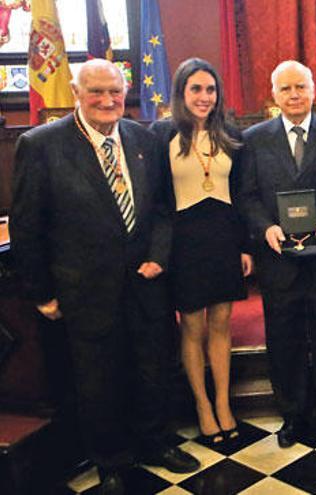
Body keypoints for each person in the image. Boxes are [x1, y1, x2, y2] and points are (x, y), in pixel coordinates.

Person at [10, 59, 199, 494]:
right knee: (99, 382)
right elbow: (27, 226)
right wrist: (40, 293)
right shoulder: (41, 145)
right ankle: (111, 459)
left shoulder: (143, 138)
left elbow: (163, 210)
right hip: (85, 290)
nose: (108, 100)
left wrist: (158, 255)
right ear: (76, 92)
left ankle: (154, 442)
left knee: (153, 371)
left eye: (115, 91)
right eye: (96, 91)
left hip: (146, 284)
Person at [239, 60, 316, 447]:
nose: (293, 95)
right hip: (278, 259)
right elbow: (248, 195)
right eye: (285, 88)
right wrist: (264, 227)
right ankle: (292, 414)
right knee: (283, 338)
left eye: (300, 87)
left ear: (313, 90)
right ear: (273, 94)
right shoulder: (253, 138)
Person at [150, 58, 251, 446]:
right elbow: (157, 200)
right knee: (192, 326)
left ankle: (224, 403)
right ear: (181, 92)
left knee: (222, 324)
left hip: (223, 237)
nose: (204, 97)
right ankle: (202, 406)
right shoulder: (162, 135)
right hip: (184, 241)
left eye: (210, 89)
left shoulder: (230, 134)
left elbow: (240, 195)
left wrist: (244, 246)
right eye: (196, 89)